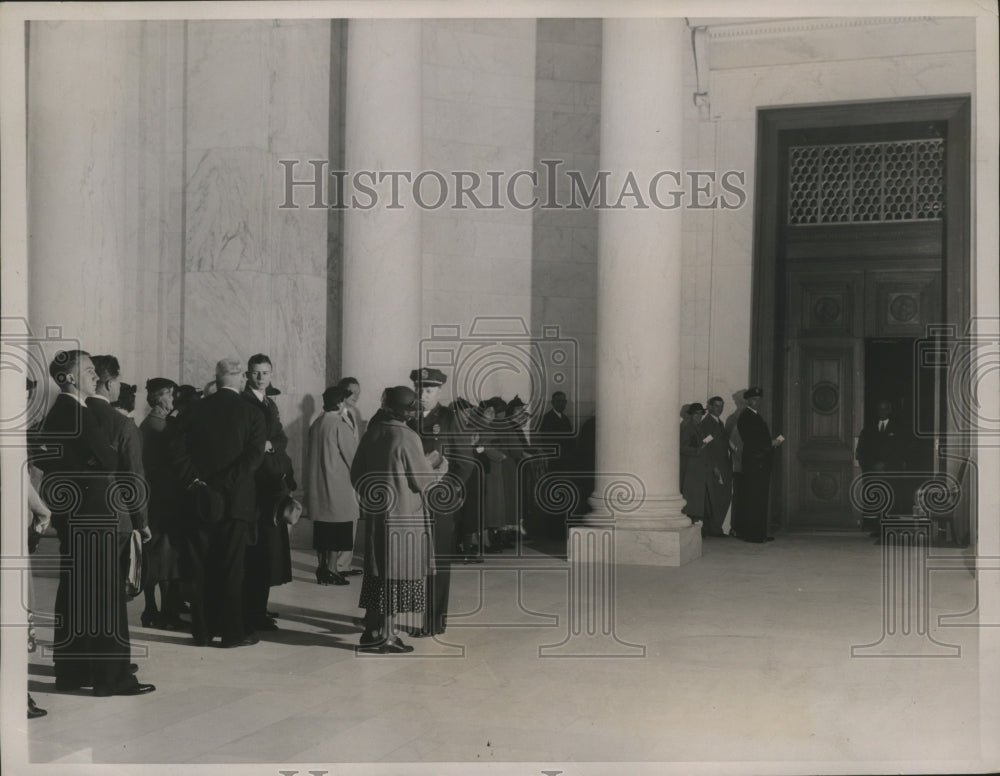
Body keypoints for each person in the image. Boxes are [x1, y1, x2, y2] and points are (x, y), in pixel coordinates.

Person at [34, 350, 155, 696]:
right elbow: (110, 458)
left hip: (75, 514)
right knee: (103, 597)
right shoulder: (77, 412)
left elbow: (47, 458)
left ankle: (73, 672)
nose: (94, 377)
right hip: (93, 513)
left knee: (74, 595)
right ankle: (112, 678)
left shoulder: (60, 411)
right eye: (87, 371)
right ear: (70, 378)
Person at [170, 358, 266, 648]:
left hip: (198, 499)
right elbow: (253, 459)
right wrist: (224, 484)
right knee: (231, 568)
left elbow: (177, 452)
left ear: (217, 378)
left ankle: (201, 631)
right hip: (236, 501)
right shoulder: (253, 413)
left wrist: (198, 483)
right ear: (239, 379)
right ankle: (232, 632)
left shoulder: (192, 410)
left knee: (199, 568)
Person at [351, 386, 447, 653]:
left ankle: (371, 631)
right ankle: (387, 636)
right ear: (408, 411)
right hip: (405, 517)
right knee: (397, 576)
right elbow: (422, 481)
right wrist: (438, 467)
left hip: (378, 514)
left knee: (377, 572)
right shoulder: (407, 437)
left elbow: (357, 474)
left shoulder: (373, 433)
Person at [409, 367, 472, 636]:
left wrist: (448, 489)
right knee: (409, 559)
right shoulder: (407, 418)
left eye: (429, 390)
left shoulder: (449, 418)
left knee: (438, 561)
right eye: (420, 389)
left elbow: (465, 461)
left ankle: (433, 621)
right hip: (410, 500)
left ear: (439, 391)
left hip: (438, 500)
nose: (423, 395)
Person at [241, 354, 295, 633]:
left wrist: (271, 445)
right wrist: (270, 445)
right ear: (247, 375)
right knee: (259, 552)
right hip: (257, 487)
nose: (261, 377)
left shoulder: (268, 402)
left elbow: (281, 439)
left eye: (265, 373)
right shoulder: (244, 403)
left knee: (268, 552)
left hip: (272, 484)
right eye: (256, 373)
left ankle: (258, 607)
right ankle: (253, 610)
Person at [138, 377, 185, 629]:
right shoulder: (160, 427)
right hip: (163, 499)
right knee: (166, 556)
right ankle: (166, 612)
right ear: (158, 398)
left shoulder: (151, 424)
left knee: (155, 555)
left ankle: (151, 609)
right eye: (170, 394)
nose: (173, 399)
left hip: (154, 499)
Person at [305, 385, 359, 586]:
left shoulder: (317, 423)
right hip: (338, 487)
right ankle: (332, 569)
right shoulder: (339, 425)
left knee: (322, 530)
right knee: (339, 530)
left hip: (318, 487)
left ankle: (322, 568)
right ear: (339, 403)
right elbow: (353, 459)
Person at [856, 399, 912, 538]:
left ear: (890, 410)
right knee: (877, 500)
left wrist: (886, 465)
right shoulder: (869, 428)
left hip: (891, 470)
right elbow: (861, 450)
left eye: (885, 409)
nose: (882, 412)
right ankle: (879, 528)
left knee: (891, 499)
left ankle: (891, 529)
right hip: (873, 471)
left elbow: (902, 450)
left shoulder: (899, 428)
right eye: (880, 409)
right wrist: (872, 465)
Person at [734, 387, 783, 543]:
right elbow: (751, 441)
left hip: (760, 462)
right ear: (747, 400)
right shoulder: (746, 416)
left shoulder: (754, 416)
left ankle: (759, 533)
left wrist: (769, 444)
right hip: (755, 463)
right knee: (754, 498)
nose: (756, 402)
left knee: (760, 498)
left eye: (758, 400)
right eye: (754, 399)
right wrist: (770, 443)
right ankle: (753, 535)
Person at [700, 396, 733, 537]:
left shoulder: (719, 422)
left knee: (722, 496)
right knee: (715, 497)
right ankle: (713, 529)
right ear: (710, 407)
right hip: (715, 466)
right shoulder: (707, 423)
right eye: (717, 406)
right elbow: (706, 447)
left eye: (722, 406)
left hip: (724, 465)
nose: (720, 409)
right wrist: (714, 466)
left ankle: (715, 528)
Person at [679, 403, 709, 527]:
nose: (699, 416)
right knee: (690, 496)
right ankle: (689, 523)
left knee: (695, 497)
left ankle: (693, 523)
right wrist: (698, 449)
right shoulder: (687, 427)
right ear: (691, 415)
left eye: (701, 413)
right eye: (696, 413)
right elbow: (682, 447)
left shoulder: (698, 427)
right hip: (690, 467)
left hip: (697, 467)